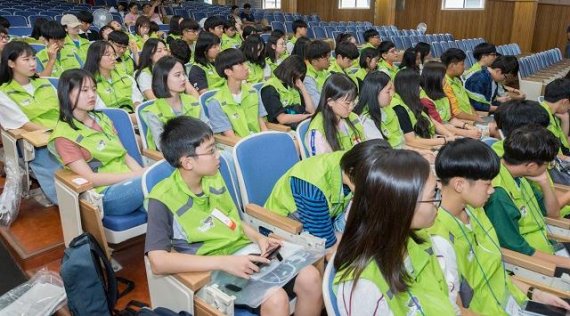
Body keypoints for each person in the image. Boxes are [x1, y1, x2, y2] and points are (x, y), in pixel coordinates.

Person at [145, 116, 323, 316]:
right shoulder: (161, 199)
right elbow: (158, 262)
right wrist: (224, 262)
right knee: (276, 299)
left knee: (311, 278)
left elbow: (232, 222)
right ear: (187, 162)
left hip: (245, 255)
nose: (218, 155)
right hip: (212, 270)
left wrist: (260, 239)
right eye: (211, 150)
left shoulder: (213, 177)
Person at [430, 138, 570, 314]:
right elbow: (457, 310)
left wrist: (535, 293)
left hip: (516, 302)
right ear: (459, 184)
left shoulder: (476, 211)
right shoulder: (439, 239)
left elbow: (497, 271)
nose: (492, 190)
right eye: (487, 184)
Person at [334, 149, 456, 315]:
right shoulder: (364, 287)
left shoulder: (420, 241)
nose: (438, 201)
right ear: (402, 206)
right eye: (433, 193)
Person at [49, 69, 146, 217]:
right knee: (154, 182)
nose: (92, 95)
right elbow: (91, 179)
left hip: (131, 181)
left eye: (94, 89)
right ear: (66, 93)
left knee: (164, 190)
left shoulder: (103, 119)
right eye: (84, 90)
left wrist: (141, 173)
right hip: (106, 193)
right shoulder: (63, 136)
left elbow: (124, 155)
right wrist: (138, 177)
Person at [265, 139, 391, 252]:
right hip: (284, 227)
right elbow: (326, 246)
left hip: (324, 219)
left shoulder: (352, 160)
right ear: (351, 171)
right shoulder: (313, 188)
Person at [484, 125, 570, 269]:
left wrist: (544, 183)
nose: (548, 167)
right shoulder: (498, 195)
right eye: (548, 164)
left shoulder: (521, 176)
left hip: (547, 244)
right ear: (531, 166)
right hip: (534, 264)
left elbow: (553, 213)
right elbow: (518, 250)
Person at [0, 41, 62, 205]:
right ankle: (70, 202)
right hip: (37, 141)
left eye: (33, 58)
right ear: (11, 63)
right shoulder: (4, 92)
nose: (33, 63)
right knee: (61, 170)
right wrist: (56, 133)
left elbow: (65, 108)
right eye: (26, 59)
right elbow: (25, 124)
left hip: (62, 131)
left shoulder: (44, 82)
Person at [140, 56, 205, 151]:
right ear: (163, 79)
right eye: (177, 75)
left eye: (183, 74)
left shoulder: (192, 101)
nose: (183, 79)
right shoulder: (154, 112)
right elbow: (163, 147)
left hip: (200, 150)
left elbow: (207, 129)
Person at [207, 48, 268, 138]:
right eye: (240, 64)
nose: (246, 67)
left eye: (245, 63)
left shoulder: (253, 92)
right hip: (237, 147)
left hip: (259, 140)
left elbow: (262, 125)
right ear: (228, 72)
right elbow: (231, 137)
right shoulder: (216, 102)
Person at [391, 68, 456, 149]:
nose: (420, 89)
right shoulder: (399, 108)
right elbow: (411, 141)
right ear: (409, 88)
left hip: (430, 141)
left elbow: (434, 122)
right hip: (418, 149)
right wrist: (445, 140)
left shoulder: (413, 101)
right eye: (418, 86)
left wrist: (449, 135)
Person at [306, 73, 364, 155]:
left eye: (353, 101)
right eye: (347, 103)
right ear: (330, 102)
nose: (351, 107)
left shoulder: (353, 117)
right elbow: (322, 165)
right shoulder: (318, 132)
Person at [420, 61, 482, 138]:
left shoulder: (442, 94)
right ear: (435, 78)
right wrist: (466, 132)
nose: (445, 80)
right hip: (438, 135)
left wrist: (467, 126)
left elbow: (451, 119)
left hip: (451, 130)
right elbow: (439, 126)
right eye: (443, 77)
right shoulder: (425, 100)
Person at [84, 41, 143, 113]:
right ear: (95, 57)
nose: (113, 58)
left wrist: (137, 111)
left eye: (114, 55)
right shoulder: (89, 84)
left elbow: (137, 100)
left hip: (133, 116)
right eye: (108, 54)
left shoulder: (126, 77)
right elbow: (102, 112)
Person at [261, 55, 314, 129]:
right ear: (290, 72)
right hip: (281, 129)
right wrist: (305, 116)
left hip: (297, 123)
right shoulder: (270, 88)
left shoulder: (291, 85)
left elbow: (310, 110)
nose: (298, 79)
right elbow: (282, 119)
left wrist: (302, 88)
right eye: (297, 76)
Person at [441, 48, 484, 122]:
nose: (465, 67)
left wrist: (476, 116)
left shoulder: (457, 80)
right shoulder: (445, 83)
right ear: (452, 66)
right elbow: (456, 113)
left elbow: (467, 103)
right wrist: (476, 119)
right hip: (460, 121)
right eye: (462, 64)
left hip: (469, 118)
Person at [540, 78, 570, 156]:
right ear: (565, 102)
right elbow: (551, 155)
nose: (569, 108)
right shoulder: (543, 120)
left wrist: (565, 120)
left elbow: (563, 141)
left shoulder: (551, 111)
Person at [304, 40, 331, 107]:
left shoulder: (324, 71)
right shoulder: (308, 79)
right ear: (314, 62)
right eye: (326, 58)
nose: (329, 60)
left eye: (329, 56)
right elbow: (317, 104)